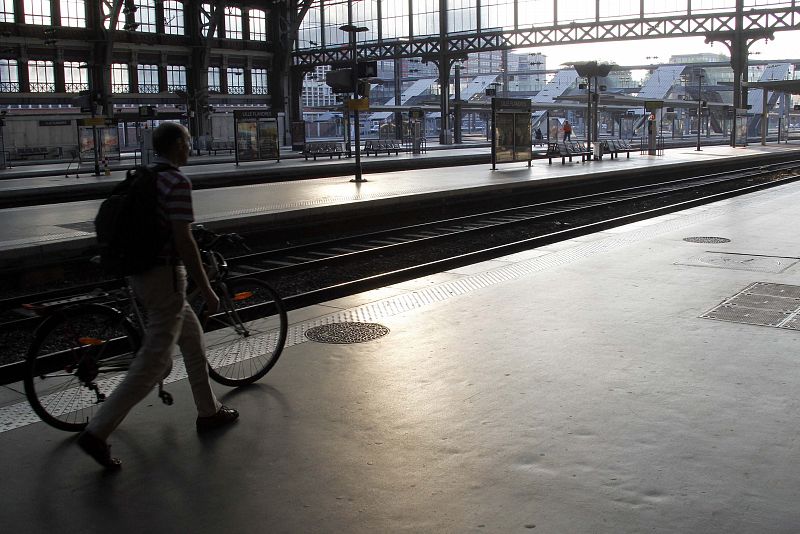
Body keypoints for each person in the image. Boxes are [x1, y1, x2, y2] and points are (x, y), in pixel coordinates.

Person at [78, 122, 238, 470]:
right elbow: (184, 240)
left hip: (140, 274)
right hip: (165, 275)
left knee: (193, 341)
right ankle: (97, 432)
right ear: (179, 144)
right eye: (189, 140)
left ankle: (208, 411)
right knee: (153, 363)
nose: (191, 146)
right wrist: (208, 289)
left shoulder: (145, 176)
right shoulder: (177, 181)